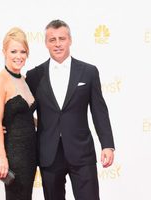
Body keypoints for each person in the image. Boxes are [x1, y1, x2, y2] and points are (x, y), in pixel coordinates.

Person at [26, 20, 115, 200]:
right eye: (52, 40)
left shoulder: (89, 72)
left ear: (70, 40)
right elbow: (26, 112)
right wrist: (9, 127)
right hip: (49, 154)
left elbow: (99, 110)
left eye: (62, 38)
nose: (57, 44)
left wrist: (107, 145)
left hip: (82, 152)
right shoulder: (34, 76)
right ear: (46, 43)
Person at [0, 27, 37, 200]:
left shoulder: (24, 79)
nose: (19, 56)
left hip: (31, 151)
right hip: (14, 154)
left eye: (23, 51)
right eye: (13, 51)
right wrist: (2, 157)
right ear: (4, 51)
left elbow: (24, 115)